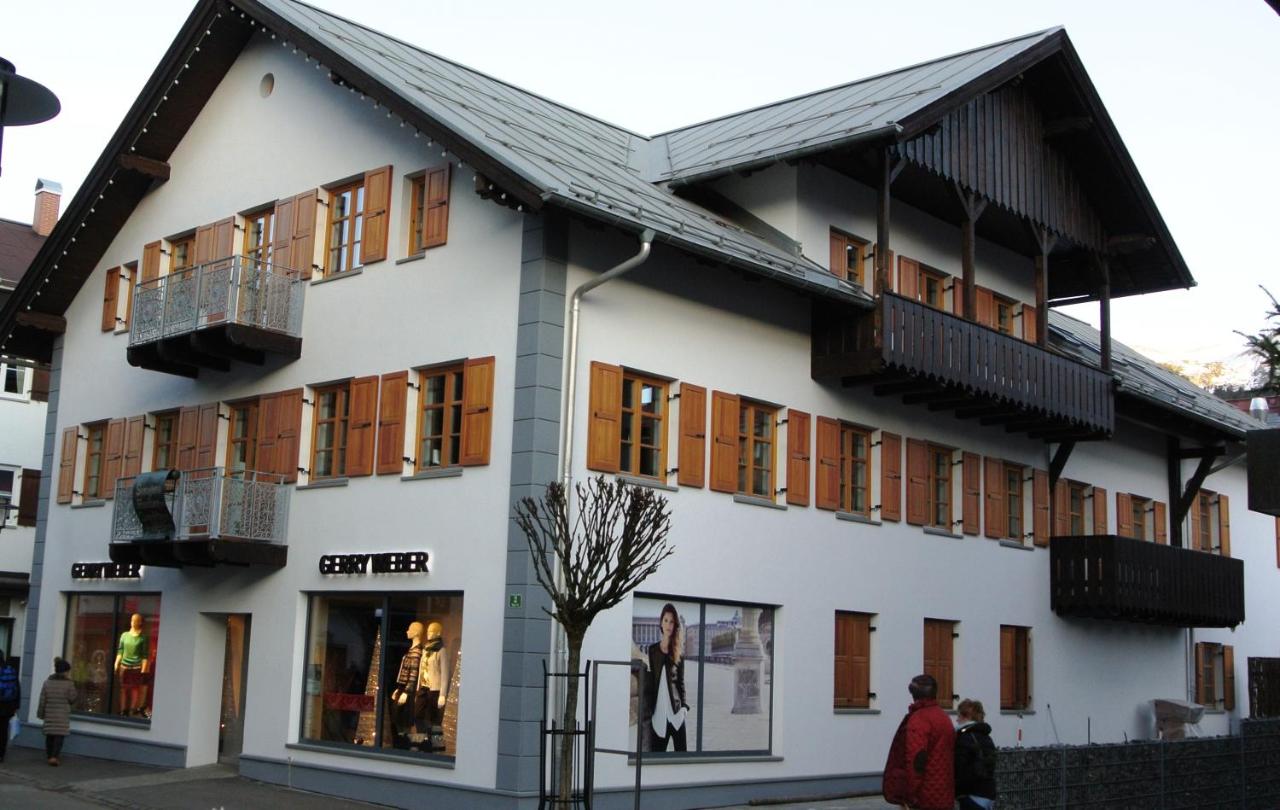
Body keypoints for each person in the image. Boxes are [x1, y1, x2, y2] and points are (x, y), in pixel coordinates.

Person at [882, 674, 955, 810]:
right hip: (943, 792)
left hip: (924, 796)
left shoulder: (919, 719)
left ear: (913, 694)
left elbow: (916, 761)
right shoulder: (943, 717)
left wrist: (909, 795)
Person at [644, 603, 688, 752]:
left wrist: (684, 708)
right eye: (666, 620)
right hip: (659, 717)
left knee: (682, 761)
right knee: (656, 760)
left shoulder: (679, 653)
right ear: (661, 623)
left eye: (672, 621)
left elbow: (680, 683)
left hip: (676, 715)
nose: (669, 625)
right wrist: (650, 708)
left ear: (675, 625)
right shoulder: (652, 650)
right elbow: (652, 681)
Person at [954, 698, 997, 810]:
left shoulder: (964, 738)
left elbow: (960, 768)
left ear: (966, 716)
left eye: (958, 716)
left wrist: (956, 791)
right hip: (988, 793)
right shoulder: (986, 736)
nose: (957, 720)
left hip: (972, 795)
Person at [37, 657, 77, 766]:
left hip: (50, 714)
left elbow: (42, 700)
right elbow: (72, 698)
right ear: (65, 671)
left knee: (50, 736)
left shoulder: (47, 682)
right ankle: (54, 756)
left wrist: (41, 714)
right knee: (59, 737)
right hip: (62, 715)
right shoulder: (69, 684)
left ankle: (50, 756)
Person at [0, 653, 20, 762]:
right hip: (7, 706)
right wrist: (16, 705)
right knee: (3, 731)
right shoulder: (11, 670)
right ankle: (1, 754)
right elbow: (17, 688)